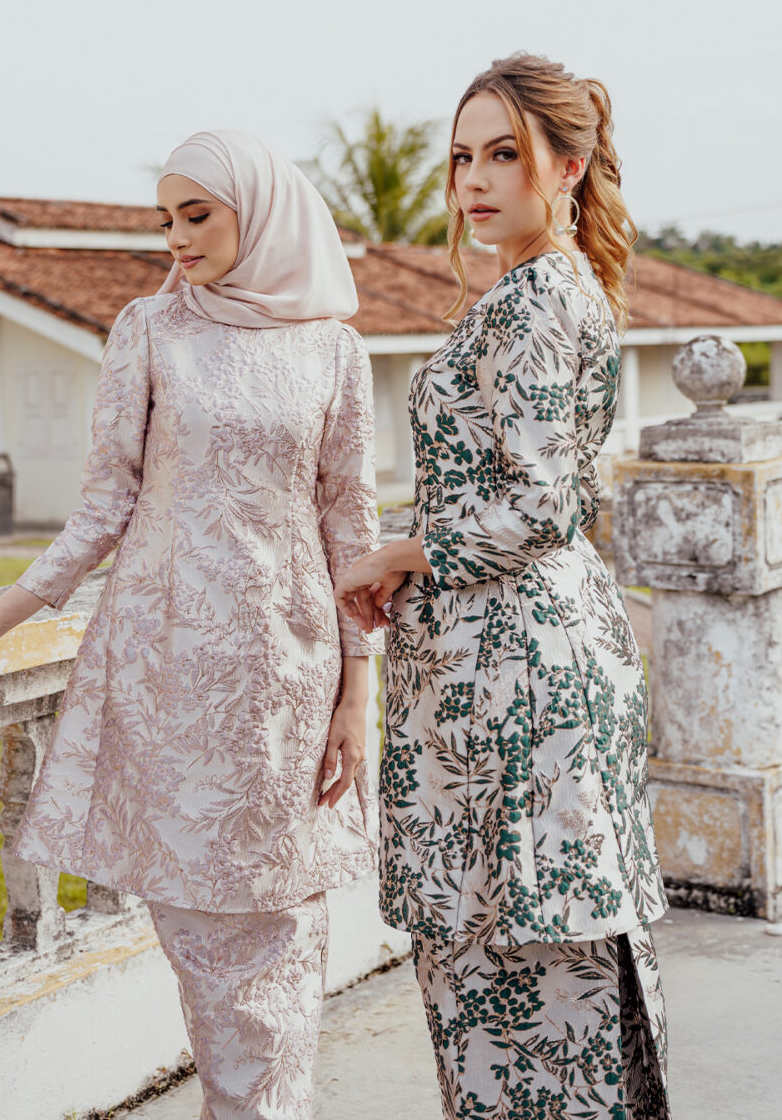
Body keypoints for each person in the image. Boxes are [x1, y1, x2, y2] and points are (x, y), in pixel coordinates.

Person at [0, 130, 384, 1120]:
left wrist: (355, 691)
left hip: (290, 673)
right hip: (169, 668)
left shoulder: (335, 347)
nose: (177, 238)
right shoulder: (150, 330)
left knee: (286, 926)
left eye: (197, 214)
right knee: (200, 933)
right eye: (165, 219)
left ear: (262, 214)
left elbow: (351, 524)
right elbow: (104, 505)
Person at [335, 54, 671, 1119]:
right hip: (516, 656)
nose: (473, 181)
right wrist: (418, 555)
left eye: (503, 156)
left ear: (566, 167)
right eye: (461, 158)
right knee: (517, 960)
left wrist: (398, 554)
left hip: (517, 677)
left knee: (519, 967)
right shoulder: (545, 287)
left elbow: (538, 506)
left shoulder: (536, 298)